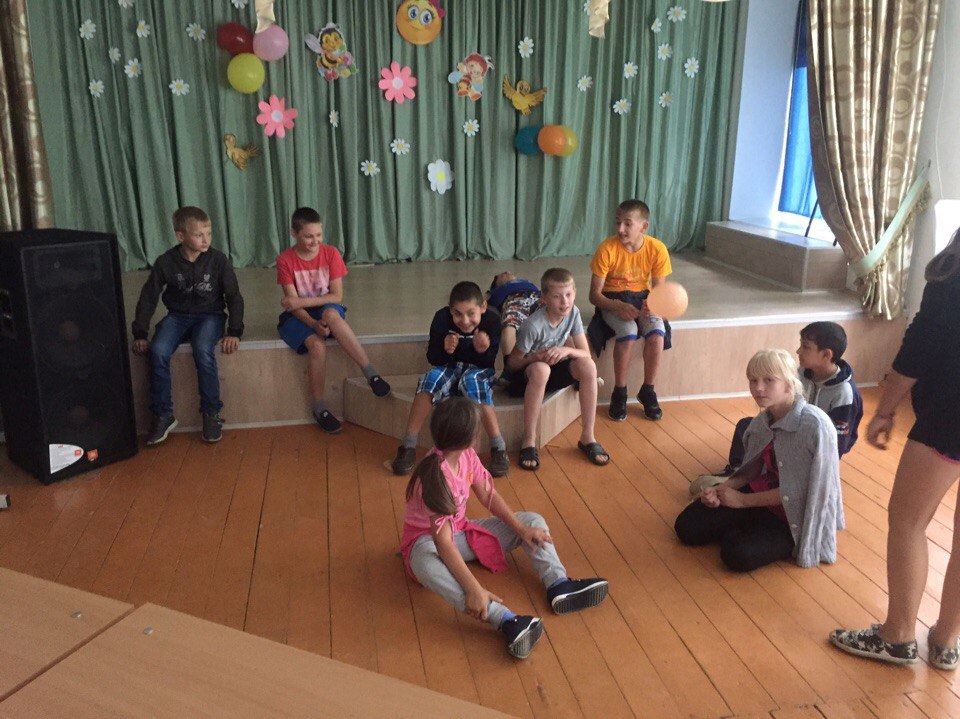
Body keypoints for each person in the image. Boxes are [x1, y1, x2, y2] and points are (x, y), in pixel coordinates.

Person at [830, 230, 960, 669]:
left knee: (908, 522)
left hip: (949, 420)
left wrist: (885, 410)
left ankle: (898, 636)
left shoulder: (952, 273)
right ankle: (946, 641)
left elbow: (918, 349)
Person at [400, 397, 609, 659]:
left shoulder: (466, 456)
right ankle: (506, 620)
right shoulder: (435, 477)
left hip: (460, 532)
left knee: (532, 521)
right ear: (470, 437)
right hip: (427, 543)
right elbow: (442, 543)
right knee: (425, 564)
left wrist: (520, 529)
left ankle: (558, 584)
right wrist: (474, 589)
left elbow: (488, 495)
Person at [674, 349, 844, 572]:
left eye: (768, 380)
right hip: (759, 500)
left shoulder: (813, 425)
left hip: (791, 516)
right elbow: (749, 471)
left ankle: (745, 530)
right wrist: (721, 490)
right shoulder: (763, 421)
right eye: (753, 380)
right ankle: (745, 527)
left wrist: (742, 501)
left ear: (789, 384)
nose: (758, 388)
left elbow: (799, 492)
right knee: (686, 527)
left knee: (736, 554)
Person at [132, 206, 244, 445]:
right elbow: (148, 297)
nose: (206, 240)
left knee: (203, 349)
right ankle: (163, 414)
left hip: (210, 316)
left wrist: (235, 331)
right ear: (181, 236)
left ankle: (211, 413)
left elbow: (234, 296)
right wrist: (140, 332)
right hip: (178, 316)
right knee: (158, 350)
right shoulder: (166, 262)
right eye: (198, 235)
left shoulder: (218, 260)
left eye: (209, 233)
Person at [276, 207, 390, 434]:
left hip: (323, 307)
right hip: (298, 316)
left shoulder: (331, 253)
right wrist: (312, 324)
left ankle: (370, 373)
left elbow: (336, 296)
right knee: (316, 345)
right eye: (308, 236)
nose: (315, 241)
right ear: (294, 233)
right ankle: (319, 407)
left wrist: (300, 302)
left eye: (318, 235)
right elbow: (293, 306)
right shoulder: (285, 260)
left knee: (331, 314)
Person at [391, 281, 509, 477]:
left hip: (478, 369)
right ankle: (408, 445)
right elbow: (433, 358)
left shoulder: (492, 320)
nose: (465, 321)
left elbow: (488, 362)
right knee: (430, 379)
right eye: (458, 314)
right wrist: (445, 349)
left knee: (472, 382)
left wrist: (482, 350)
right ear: (450, 309)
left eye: (471, 313)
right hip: (449, 367)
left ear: (482, 307)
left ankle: (498, 447)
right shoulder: (441, 318)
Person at [723, 322, 864, 473]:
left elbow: (837, 444)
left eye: (805, 347)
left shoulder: (844, 393)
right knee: (746, 426)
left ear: (826, 355)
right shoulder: (802, 373)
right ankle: (737, 470)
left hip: (814, 442)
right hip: (792, 427)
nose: (798, 351)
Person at [506, 268, 609, 471]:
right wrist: (535, 357)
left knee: (588, 366)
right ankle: (529, 440)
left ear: (575, 294)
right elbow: (512, 364)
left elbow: (586, 353)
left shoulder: (573, 313)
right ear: (544, 298)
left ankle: (588, 437)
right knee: (541, 369)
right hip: (526, 377)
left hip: (553, 368)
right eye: (557, 296)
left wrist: (565, 350)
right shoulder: (533, 326)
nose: (565, 302)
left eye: (568, 294)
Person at [588, 200, 672, 422]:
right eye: (618, 222)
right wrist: (617, 306)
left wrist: (652, 303)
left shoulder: (657, 249)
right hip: (613, 299)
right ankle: (620, 391)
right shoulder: (607, 249)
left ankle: (648, 390)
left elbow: (659, 290)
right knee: (628, 332)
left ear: (644, 226)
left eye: (627, 223)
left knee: (657, 333)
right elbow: (594, 295)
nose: (620, 229)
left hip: (643, 297)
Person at [486, 271, 541, 360]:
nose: (508, 272)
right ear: (497, 284)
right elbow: (483, 299)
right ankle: (510, 362)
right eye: (503, 274)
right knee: (510, 323)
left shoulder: (527, 282)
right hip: (516, 301)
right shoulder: (497, 290)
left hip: (537, 297)